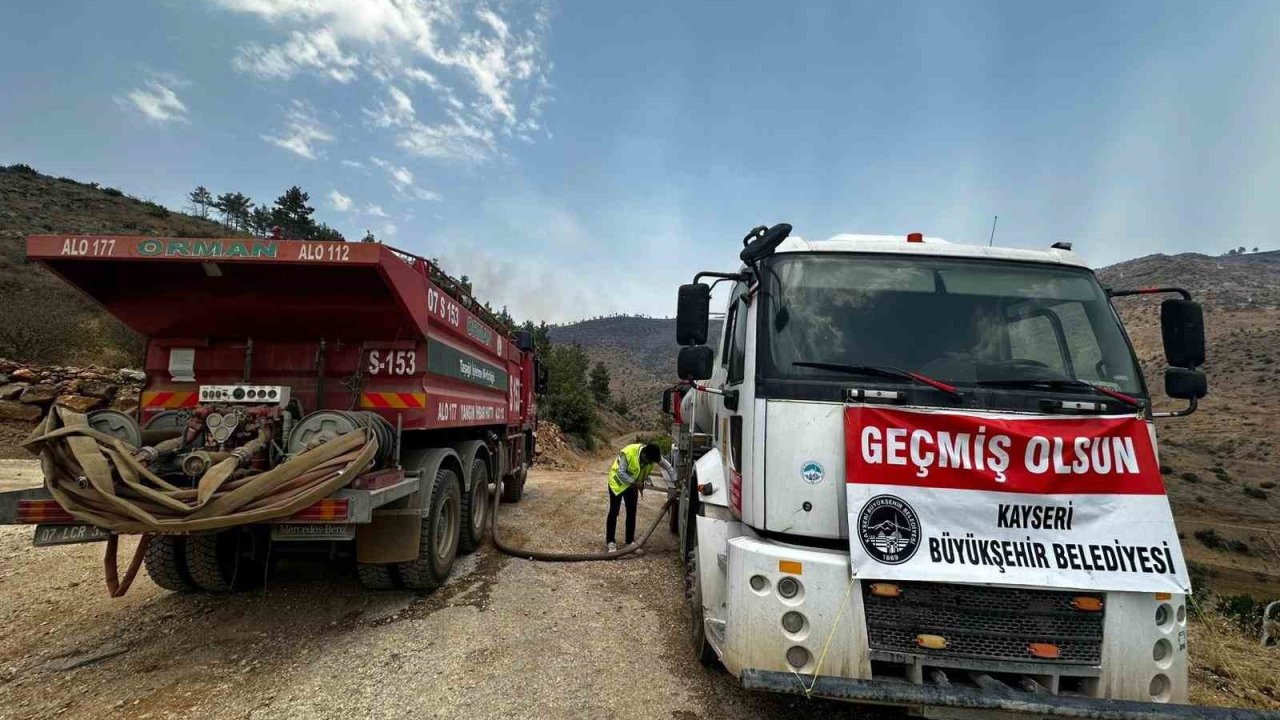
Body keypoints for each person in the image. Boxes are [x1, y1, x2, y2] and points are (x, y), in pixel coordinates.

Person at [606, 442, 671, 552]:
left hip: (632, 484)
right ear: (644, 455)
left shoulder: (651, 456)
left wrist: (674, 478)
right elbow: (621, 472)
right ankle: (610, 542)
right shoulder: (628, 452)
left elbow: (667, 466)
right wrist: (635, 483)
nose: (650, 463)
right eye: (649, 461)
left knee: (631, 512)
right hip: (617, 482)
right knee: (614, 511)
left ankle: (629, 541)